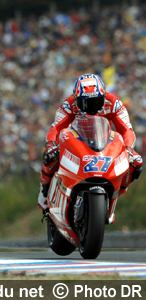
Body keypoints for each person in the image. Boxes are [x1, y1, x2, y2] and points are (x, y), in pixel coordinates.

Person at [38, 74, 143, 211]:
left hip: (105, 145)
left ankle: (118, 190)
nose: (91, 108)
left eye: (96, 101)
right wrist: (51, 145)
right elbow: (56, 128)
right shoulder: (68, 105)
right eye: (85, 102)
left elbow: (127, 130)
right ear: (76, 99)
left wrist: (128, 149)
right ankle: (44, 191)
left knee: (136, 162)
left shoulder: (115, 103)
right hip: (77, 143)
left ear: (104, 95)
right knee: (50, 155)